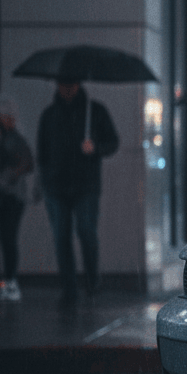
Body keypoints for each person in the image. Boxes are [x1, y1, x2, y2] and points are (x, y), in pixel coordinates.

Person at [37, 79, 118, 304]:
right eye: (63, 84)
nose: (67, 88)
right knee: (62, 236)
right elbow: (42, 152)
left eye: (71, 84)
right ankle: (70, 289)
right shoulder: (50, 115)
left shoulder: (95, 111)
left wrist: (95, 148)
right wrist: (44, 182)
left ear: (79, 84)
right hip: (56, 186)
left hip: (85, 185)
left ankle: (92, 279)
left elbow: (113, 141)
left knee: (86, 232)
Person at [0, 94, 35, 302]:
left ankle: (10, 281)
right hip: (11, 196)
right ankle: (9, 281)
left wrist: (6, 178)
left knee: (8, 239)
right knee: (8, 239)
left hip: (10, 196)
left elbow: (26, 163)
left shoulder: (12, 139)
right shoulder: (13, 138)